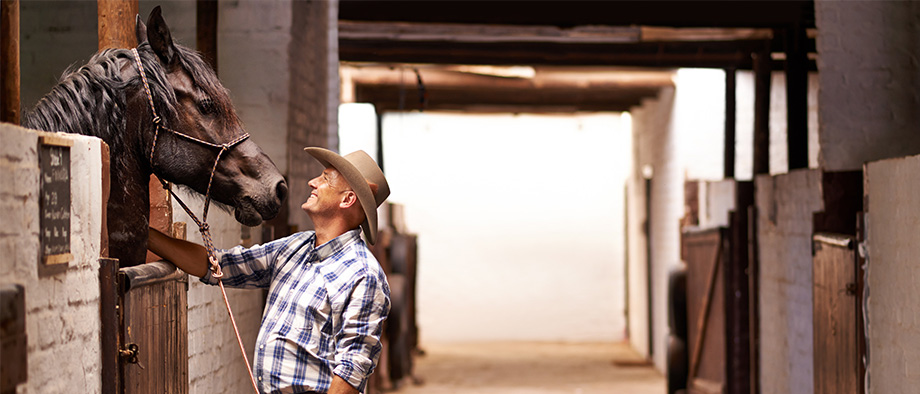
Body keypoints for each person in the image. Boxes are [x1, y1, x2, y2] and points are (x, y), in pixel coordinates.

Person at [149, 148, 391, 394]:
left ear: (347, 200)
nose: (313, 182)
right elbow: (218, 265)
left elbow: (351, 371)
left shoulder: (363, 274)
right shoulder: (295, 247)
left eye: (325, 178)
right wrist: (145, 235)